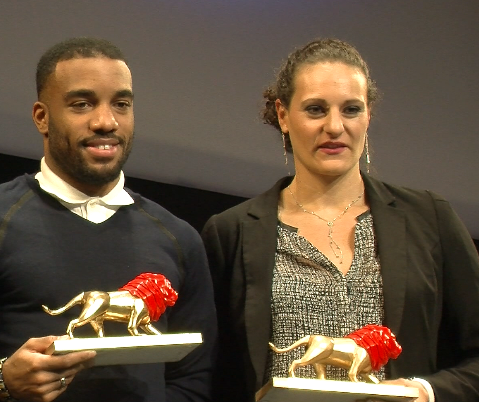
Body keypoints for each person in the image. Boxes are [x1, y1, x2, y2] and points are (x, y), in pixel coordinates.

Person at [0, 37, 216, 402]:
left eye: (121, 104)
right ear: (42, 117)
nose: (106, 121)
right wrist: (0, 381)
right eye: (82, 104)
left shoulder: (179, 238)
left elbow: (196, 377)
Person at [201, 38, 479, 402]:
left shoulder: (429, 218)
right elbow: (208, 373)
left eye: (350, 109)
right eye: (316, 109)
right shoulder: (230, 233)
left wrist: (425, 392)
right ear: (283, 116)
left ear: (368, 116)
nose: (335, 126)